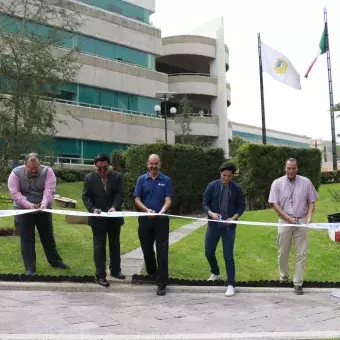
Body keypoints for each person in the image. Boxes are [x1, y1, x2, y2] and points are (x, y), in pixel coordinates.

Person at [8, 152, 69, 275]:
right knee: (27, 238)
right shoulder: (15, 173)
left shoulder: (48, 172)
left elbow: (49, 191)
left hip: (43, 208)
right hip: (23, 209)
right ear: (25, 165)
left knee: (48, 236)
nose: (34, 170)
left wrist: (44, 203)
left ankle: (55, 261)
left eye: (36, 168)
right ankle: (30, 268)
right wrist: (28, 205)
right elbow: (15, 193)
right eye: (31, 168)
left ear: (39, 164)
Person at [268, 158, 318, 295]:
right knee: (282, 252)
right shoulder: (277, 183)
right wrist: (287, 218)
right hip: (284, 221)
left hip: (301, 221)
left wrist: (309, 216)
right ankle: (283, 278)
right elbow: (274, 204)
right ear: (285, 168)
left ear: (297, 168)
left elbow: (312, 200)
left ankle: (298, 283)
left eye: (293, 168)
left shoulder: (306, 182)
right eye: (288, 168)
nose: (291, 171)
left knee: (301, 253)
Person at [82, 153, 125, 288]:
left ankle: (115, 270)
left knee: (115, 245)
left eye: (105, 168)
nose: (102, 171)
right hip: (97, 219)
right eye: (99, 168)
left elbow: (120, 194)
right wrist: (93, 209)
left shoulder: (117, 177)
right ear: (95, 167)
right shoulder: (89, 178)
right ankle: (100, 275)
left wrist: (114, 207)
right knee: (99, 247)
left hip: (113, 218)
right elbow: (86, 197)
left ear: (109, 165)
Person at [203, 162, 245, 297]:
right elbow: (205, 203)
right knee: (208, 252)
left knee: (228, 255)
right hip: (213, 225)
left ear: (233, 176)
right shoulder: (212, 186)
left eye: (229, 176)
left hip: (229, 227)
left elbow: (241, 206)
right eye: (224, 175)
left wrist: (234, 218)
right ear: (220, 174)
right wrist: (211, 214)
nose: (226, 178)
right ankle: (215, 272)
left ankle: (231, 284)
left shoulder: (237, 188)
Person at [133, 154, 173, 296]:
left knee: (162, 251)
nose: (153, 166)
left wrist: (161, 212)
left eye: (156, 164)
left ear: (159, 164)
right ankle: (152, 273)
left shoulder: (166, 180)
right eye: (151, 164)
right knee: (147, 249)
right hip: (145, 219)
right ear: (147, 164)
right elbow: (137, 199)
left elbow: (168, 199)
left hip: (161, 220)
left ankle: (162, 283)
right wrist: (146, 210)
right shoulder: (141, 179)